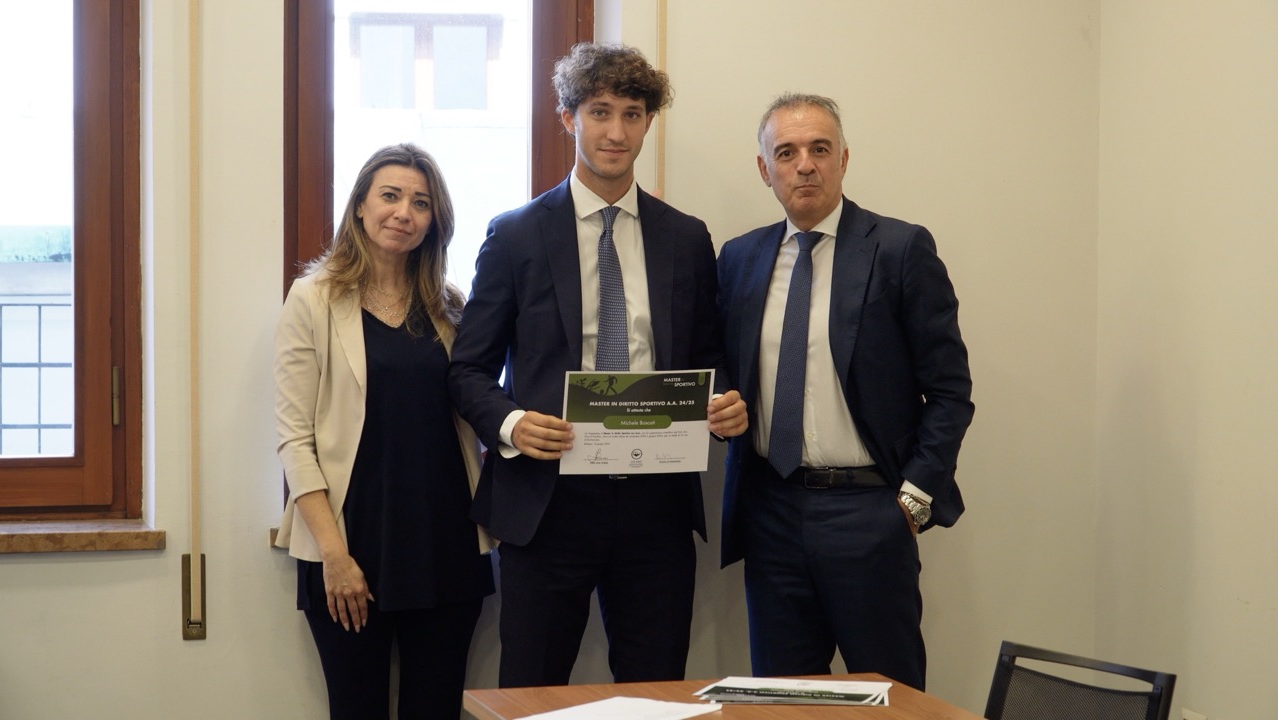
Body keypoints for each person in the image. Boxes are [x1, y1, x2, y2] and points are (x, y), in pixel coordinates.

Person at [448, 42, 748, 688]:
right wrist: (512, 424)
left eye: (632, 114)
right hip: (547, 499)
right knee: (532, 690)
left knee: (655, 691)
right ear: (568, 117)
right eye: (600, 111)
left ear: (648, 122)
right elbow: (467, 369)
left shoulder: (686, 236)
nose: (616, 132)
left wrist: (723, 401)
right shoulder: (515, 235)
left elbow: (708, 358)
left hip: (657, 504)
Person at [716, 93, 974, 690]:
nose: (804, 165)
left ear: (844, 159)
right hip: (771, 511)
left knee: (889, 696)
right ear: (765, 170)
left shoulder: (900, 249)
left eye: (819, 149)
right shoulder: (739, 258)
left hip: (870, 512)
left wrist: (912, 503)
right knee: (782, 697)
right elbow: (723, 366)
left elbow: (950, 392)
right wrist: (722, 402)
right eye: (786, 153)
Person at [273, 143, 494, 719]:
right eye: (390, 196)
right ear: (360, 207)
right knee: (356, 710)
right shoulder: (314, 298)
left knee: (437, 710)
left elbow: (477, 409)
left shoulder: (450, 307)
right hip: (351, 543)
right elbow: (295, 439)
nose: (404, 212)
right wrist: (334, 555)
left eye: (421, 203)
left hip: (446, 543)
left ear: (434, 221)